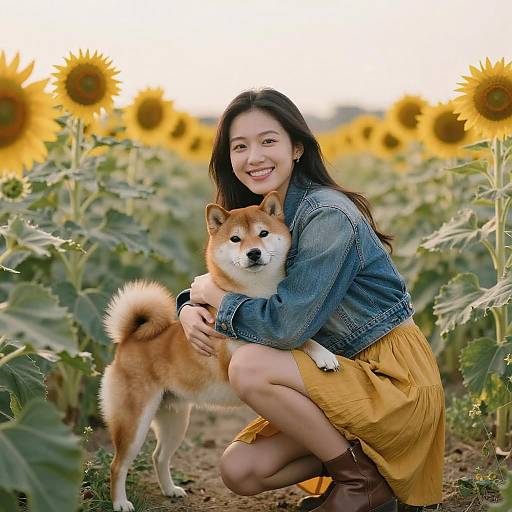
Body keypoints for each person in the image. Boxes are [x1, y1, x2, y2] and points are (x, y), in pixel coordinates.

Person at [176, 88, 444, 512]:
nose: (254, 157)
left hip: (390, 379)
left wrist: (214, 299)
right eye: (240, 146)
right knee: (240, 469)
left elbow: (286, 328)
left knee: (248, 366)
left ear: (297, 147)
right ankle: (372, 476)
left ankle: (360, 484)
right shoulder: (259, 216)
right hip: (338, 379)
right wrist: (190, 304)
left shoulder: (326, 216)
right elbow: (225, 280)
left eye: (268, 141)